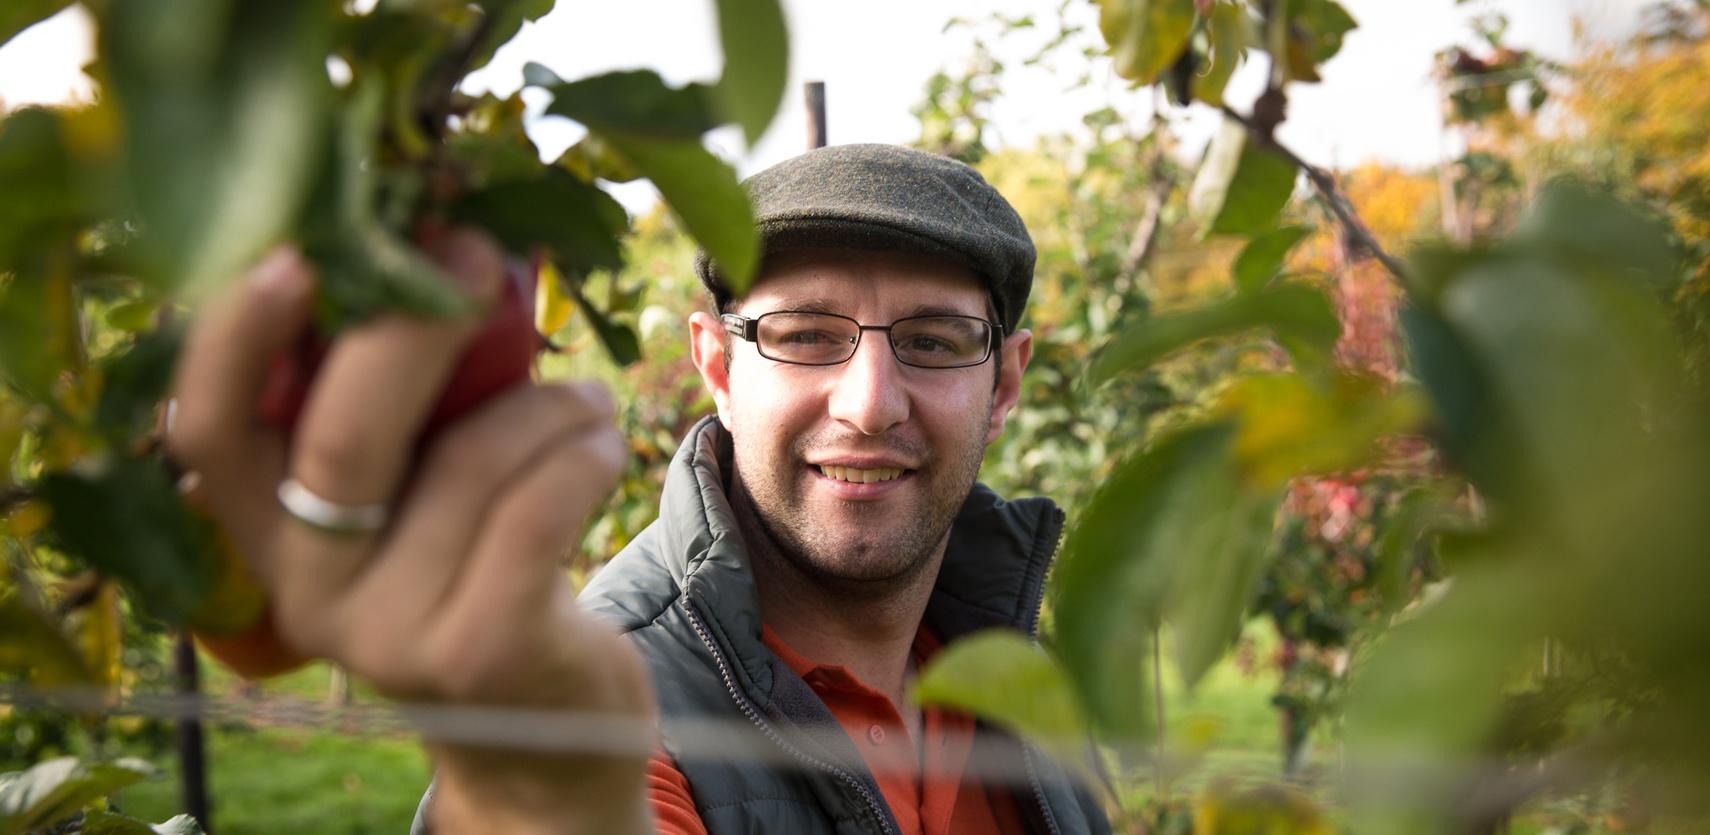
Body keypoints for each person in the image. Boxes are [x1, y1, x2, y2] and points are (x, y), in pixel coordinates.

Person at [168, 143, 1109, 834]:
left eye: (935, 341)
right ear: (719, 369)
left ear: (1006, 385)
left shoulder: (1014, 668)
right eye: (803, 333)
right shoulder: (631, 717)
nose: (869, 404)